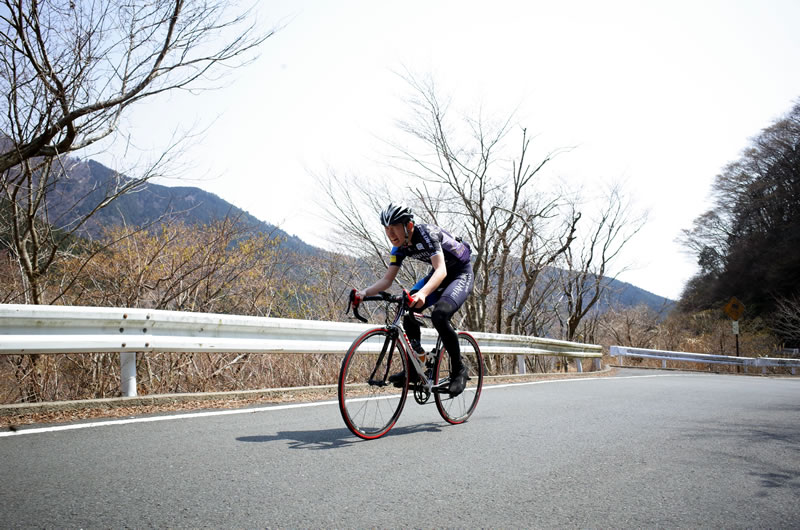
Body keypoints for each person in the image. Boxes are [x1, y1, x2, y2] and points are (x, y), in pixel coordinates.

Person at [355, 203, 474, 395]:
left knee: (440, 315)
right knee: (407, 306)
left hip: (460, 274)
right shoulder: (398, 247)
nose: (390, 234)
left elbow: (441, 270)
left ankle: (459, 370)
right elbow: (387, 280)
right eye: (386, 229)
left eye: (394, 228)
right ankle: (415, 364)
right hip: (437, 275)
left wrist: (424, 293)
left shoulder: (427, 234)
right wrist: (364, 292)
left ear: (408, 226)